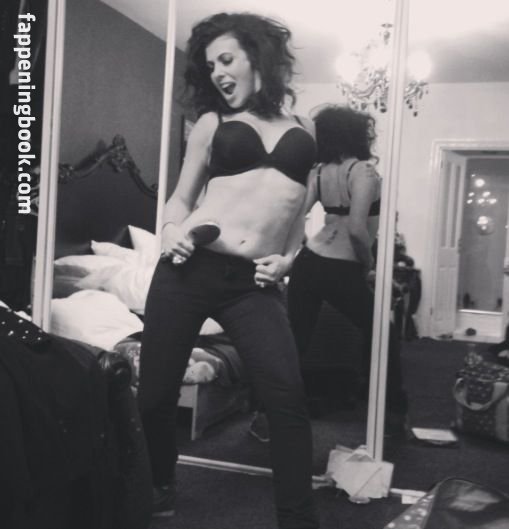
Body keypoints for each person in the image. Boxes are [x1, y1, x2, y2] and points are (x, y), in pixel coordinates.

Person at [137, 12, 319, 529]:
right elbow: (181, 198)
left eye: (226, 59)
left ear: (257, 57)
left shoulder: (305, 131)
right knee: (154, 396)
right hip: (188, 270)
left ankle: (298, 519)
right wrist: (169, 230)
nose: (217, 72)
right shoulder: (212, 124)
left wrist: (287, 260)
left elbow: (297, 218)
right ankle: (160, 483)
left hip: (252, 286)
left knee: (286, 398)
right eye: (211, 65)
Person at [286, 104, 408, 431]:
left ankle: (268, 415)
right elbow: (356, 229)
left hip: (308, 261)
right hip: (341, 266)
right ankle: (392, 415)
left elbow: (296, 216)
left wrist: (290, 254)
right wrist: (368, 264)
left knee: (294, 342)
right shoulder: (364, 172)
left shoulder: (318, 172)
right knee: (384, 332)